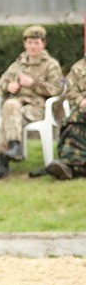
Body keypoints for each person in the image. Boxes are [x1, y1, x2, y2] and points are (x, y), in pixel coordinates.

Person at [0, 24, 63, 179]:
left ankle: (3, 162)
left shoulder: (51, 65)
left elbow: (57, 90)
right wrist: (8, 86)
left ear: (43, 44)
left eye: (36, 43)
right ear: (25, 44)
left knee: (7, 117)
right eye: (29, 42)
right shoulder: (17, 65)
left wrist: (33, 84)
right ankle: (13, 149)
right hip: (16, 107)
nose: (33, 46)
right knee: (10, 106)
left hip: (39, 108)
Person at [43, 40, 86, 180]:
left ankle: (70, 166)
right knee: (73, 124)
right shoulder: (79, 68)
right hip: (82, 109)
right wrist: (81, 100)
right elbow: (69, 90)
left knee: (75, 118)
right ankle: (68, 164)